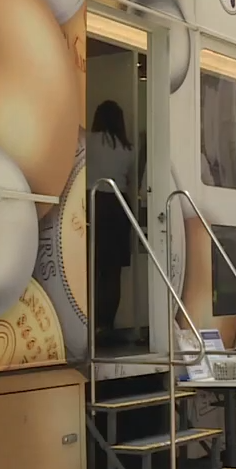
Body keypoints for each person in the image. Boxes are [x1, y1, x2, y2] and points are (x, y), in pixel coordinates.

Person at [87, 101, 136, 342]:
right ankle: (106, 324)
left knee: (90, 265)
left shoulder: (87, 141)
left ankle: (86, 321)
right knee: (112, 271)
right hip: (118, 205)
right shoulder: (128, 149)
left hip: (92, 201)